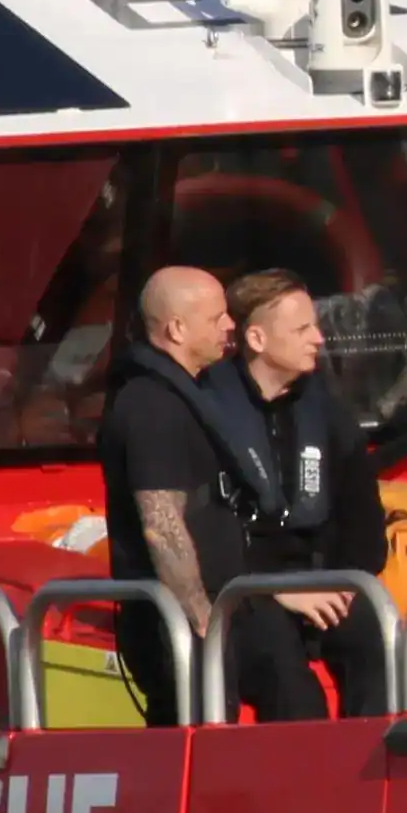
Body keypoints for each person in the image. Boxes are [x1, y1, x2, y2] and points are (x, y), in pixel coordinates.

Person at [216, 267, 392, 722]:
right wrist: (275, 592)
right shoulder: (208, 413)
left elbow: (363, 526)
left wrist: (340, 582)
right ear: (256, 339)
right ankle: (308, 784)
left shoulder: (330, 413)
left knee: (376, 640)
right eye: (302, 329)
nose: (318, 338)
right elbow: (205, 530)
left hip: (321, 580)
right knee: (287, 680)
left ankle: (375, 773)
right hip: (242, 590)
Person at [95, 265, 247, 726]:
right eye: (217, 317)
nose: (230, 325)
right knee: (196, 734)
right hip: (176, 623)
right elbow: (161, 522)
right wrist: (198, 612)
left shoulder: (188, 394)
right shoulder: (150, 406)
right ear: (177, 329)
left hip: (208, 609)